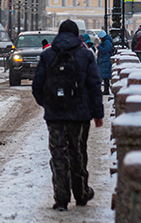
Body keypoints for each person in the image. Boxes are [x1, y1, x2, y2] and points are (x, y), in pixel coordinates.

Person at [31, 19, 104, 211]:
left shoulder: (48, 55)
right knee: (78, 153)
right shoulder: (85, 55)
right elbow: (94, 86)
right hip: (80, 115)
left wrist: (48, 104)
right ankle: (81, 194)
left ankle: (61, 199)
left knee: (58, 155)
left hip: (55, 116)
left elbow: (37, 86)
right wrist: (97, 113)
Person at [96, 31, 114, 95]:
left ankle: (105, 90)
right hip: (104, 61)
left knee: (103, 77)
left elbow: (104, 50)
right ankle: (105, 90)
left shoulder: (106, 42)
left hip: (105, 61)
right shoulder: (107, 42)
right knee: (105, 77)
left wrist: (98, 47)